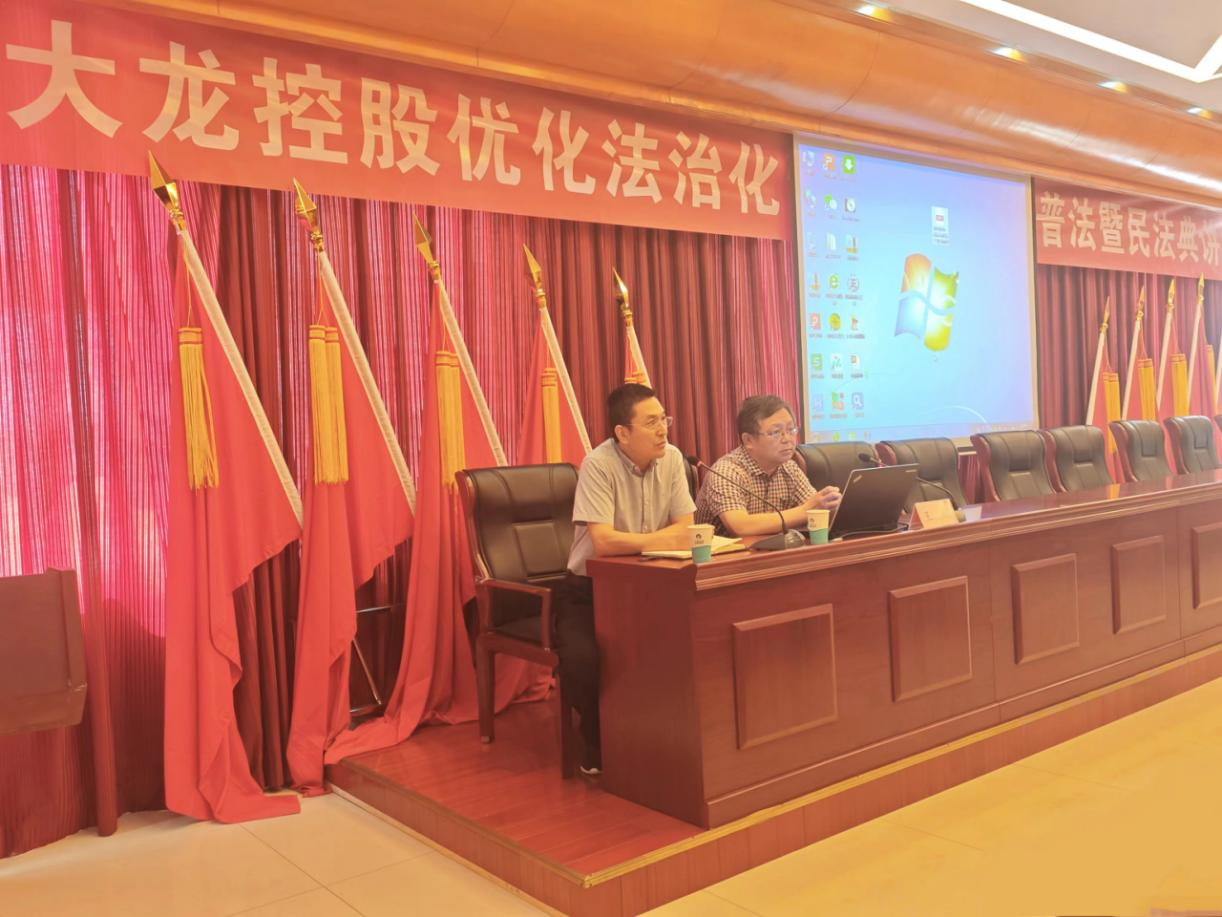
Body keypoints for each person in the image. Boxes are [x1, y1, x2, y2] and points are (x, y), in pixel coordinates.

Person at [557, 383, 694, 776]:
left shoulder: (672, 459)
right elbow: (604, 542)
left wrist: (655, 540)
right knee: (583, 662)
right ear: (622, 432)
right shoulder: (598, 465)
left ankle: (667, 737)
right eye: (651, 423)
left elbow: (687, 527)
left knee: (686, 647)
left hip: (651, 585)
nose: (663, 430)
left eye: (664, 419)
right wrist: (665, 538)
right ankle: (597, 740)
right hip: (588, 591)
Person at [695, 394, 841, 536]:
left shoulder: (789, 468)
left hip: (771, 550)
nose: (787, 439)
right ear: (748, 440)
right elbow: (740, 526)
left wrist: (830, 504)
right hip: (727, 552)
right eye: (776, 432)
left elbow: (815, 509)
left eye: (791, 430)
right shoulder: (727, 472)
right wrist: (806, 511)